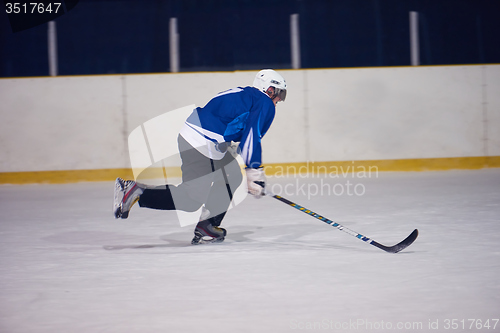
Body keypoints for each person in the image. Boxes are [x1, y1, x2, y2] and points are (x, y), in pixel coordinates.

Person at [113, 69, 287, 244]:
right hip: (203, 142)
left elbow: (228, 121)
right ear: (269, 89)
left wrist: (233, 150)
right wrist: (254, 171)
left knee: (232, 174)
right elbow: (252, 136)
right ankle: (137, 191)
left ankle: (207, 225)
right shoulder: (264, 102)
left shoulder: (245, 93)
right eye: (279, 94)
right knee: (191, 199)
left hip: (195, 135)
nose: (280, 99)